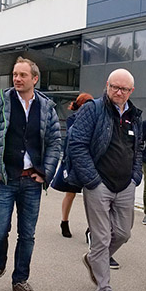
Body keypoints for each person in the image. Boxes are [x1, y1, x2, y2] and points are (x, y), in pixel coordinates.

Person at [0, 57, 61, 291]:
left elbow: (55, 142)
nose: (17, 79)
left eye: (23, 75)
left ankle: (20, 280)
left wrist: (44, 172)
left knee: (27, 234)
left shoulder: (46, 108)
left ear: (35, 79)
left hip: (31, 181)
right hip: (4, 179)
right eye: (15, 74)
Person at [69, 69, 143, 291]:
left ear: (131, 91)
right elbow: (76, 144)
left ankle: (93, 260)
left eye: (123, 89)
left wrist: (135, 177)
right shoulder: (93, 109)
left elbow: (137, 150)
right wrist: (92, 180)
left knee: (122, 233)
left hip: (125, 185)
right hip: (98, 184)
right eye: (114, 87)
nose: (118, 92)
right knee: (100, 238)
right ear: (107, 85)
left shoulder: (134, 116)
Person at [51, 93, 93, 238]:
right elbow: (69, 143)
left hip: (90, 162)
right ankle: (64, 221)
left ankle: (92, 228)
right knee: (70, 193)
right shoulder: (72, 120)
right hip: (74, 161)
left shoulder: (95, 119)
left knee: (92, 196)